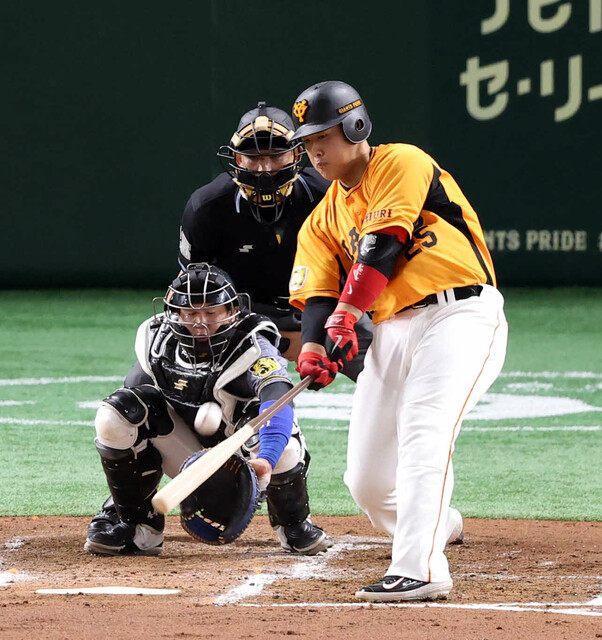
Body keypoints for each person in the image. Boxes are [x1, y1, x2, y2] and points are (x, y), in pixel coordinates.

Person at [288, 80, 508, 601]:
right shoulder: (320, 220)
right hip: (393, 329)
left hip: (460, 314)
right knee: (366, 480)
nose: (315, 149)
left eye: (323, 135)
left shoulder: (400, 161)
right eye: (308, 140)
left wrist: (347, 315)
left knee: (424, 430)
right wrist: (315, 347)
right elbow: (318, 294)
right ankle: (440, 523)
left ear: (355, 126)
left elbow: (381, 245)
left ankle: (421, 568)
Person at [84, 263, 333, 557]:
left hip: (245, 460)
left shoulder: (252, 344)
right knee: (116, 414)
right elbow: (136, 402)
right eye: (190, 313)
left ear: (232, 311)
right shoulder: (157, 341)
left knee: (285, 446)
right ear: (175, 313)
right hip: (185, 453)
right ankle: (137, 524)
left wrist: (266, 460)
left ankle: (293, 524)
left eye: (211, 312)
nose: (200, 323)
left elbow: (278, 398)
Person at [175, 101, 372, 376]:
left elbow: (363, 268)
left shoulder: (330, 195)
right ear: (237, 159)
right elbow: (191, 290)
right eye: (253, 156)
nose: (264, 168)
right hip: (239, 319)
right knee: (170, 368)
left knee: (383, 364)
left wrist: (336, 322)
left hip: (324, 306)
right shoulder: (207, 206)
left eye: (276, 155)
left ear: (296, 154)